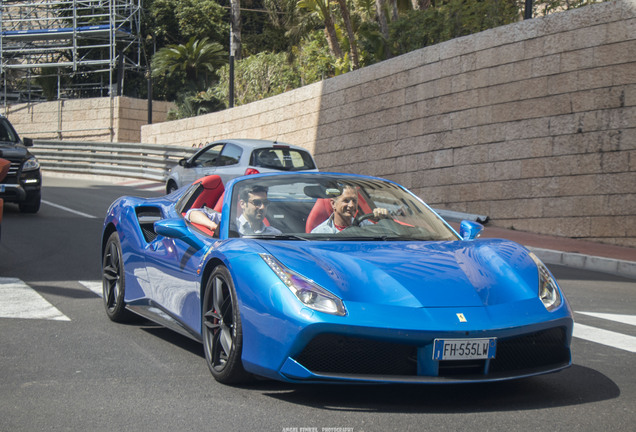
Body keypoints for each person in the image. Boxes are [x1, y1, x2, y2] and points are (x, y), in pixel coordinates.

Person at [311, 185, 389, 234]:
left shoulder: (366, 226)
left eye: (354, 201)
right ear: (333, 204)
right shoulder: (320, 233)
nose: (351, 205)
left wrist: (383, 220)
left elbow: (386, 237)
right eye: (346, 200)